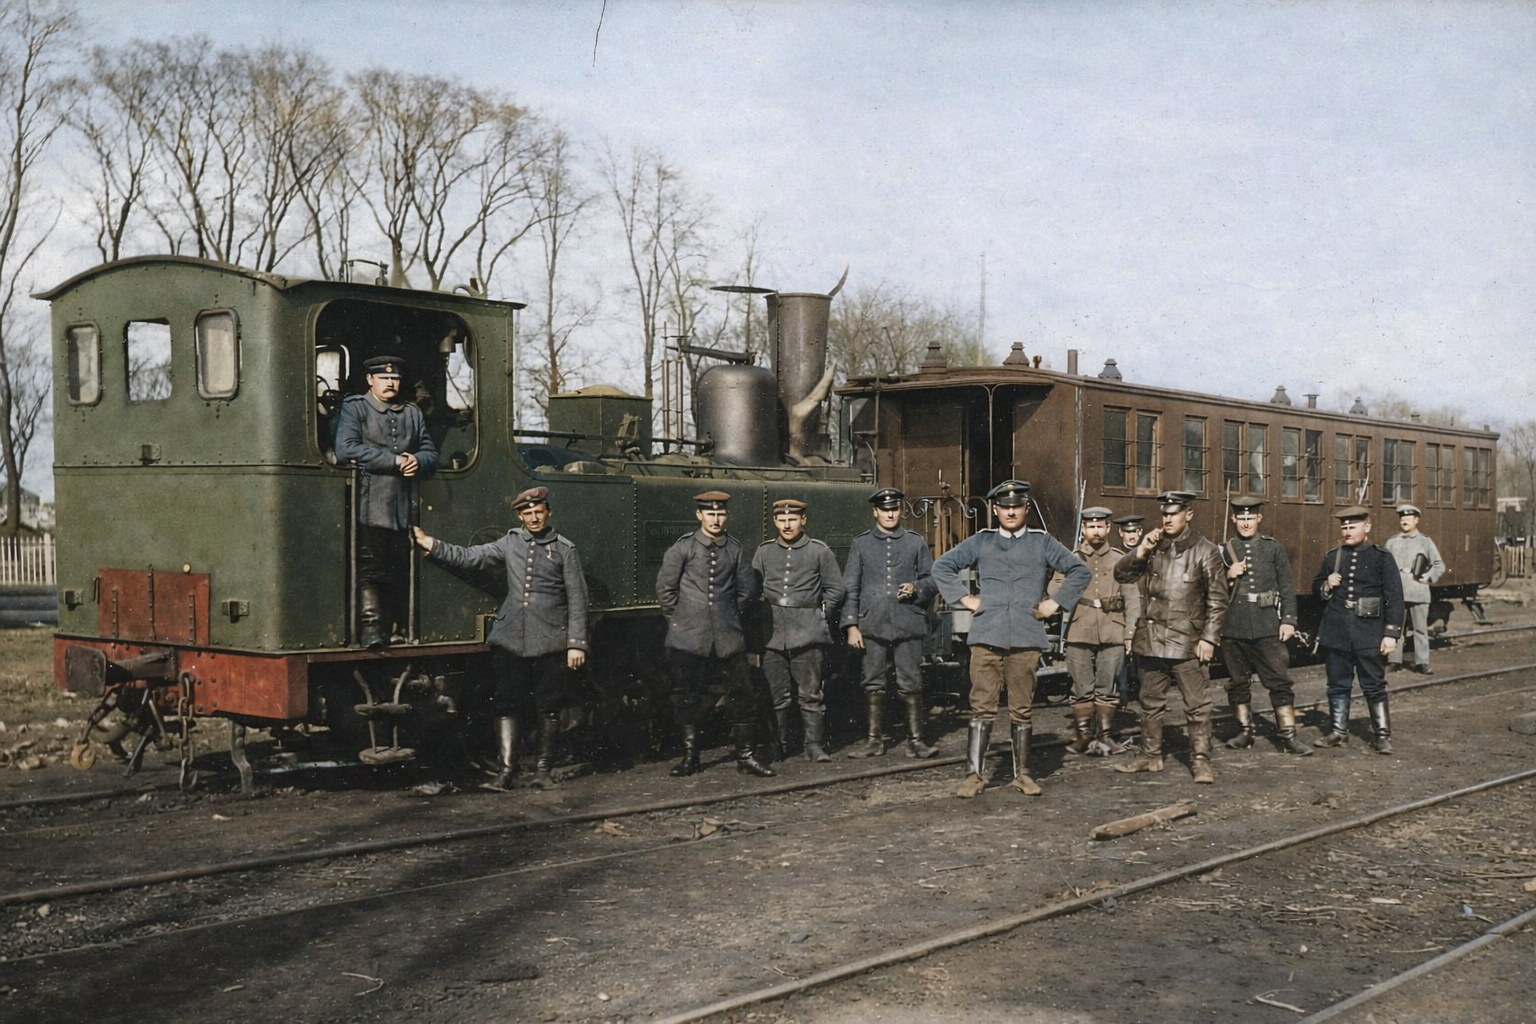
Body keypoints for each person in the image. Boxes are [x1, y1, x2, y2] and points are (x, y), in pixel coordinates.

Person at [412, 486, 588, 790]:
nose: (534, 517)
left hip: (550, 638)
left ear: (548, 512)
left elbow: (578, 599)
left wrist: (576, 644)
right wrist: (432, 544)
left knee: (548, 706)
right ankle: (507, 773)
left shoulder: (564, 549)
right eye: (527, 513)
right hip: (511, 639)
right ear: (520, 516)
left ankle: (543, 773)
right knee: (506, 704)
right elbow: (471, 557)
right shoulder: (510, 542)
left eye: (539, 511)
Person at [933, 480, 1090, 798]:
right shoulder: (982, 541)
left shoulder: (1041, 542)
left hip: (1025, 637)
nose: (1011, 512)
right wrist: (966, 600)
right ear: (995, 509)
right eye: (1005, 507)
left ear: (1026, 508)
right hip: (986, 637)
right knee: (982, 708)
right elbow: (942, 566)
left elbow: (1079, 571)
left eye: (1017, 506)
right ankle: (974, 776)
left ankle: (1023, 775)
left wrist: (1055, 603)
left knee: (1022, 709)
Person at [1114, 490, 1229, 784]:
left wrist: (1209, 639)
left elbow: (1218, 600)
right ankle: (1150, 756)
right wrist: (1141, 550)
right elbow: (1122, 574)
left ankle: (1201, 761)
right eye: (1164, 514)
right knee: (1150, 702)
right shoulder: (1153, 546)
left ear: (1188, 514)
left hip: (1187, 642)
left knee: (1198, 705)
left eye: (1174, 513)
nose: (1167, 519)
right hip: (1152, 640)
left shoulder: (1205, 550)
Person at [656, 491, 773, 778]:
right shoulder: (682, 548)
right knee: (688, 696)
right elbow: (666, 591)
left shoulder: (735, 549)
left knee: (743, 693)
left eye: (721, 514)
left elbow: (747, 591)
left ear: (726, 515)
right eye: (710, 514)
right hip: (689, 638)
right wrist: (682, 621)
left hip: (727, 636)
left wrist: (727, 616)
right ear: (699, 515)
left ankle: (745, 757)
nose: (716, 519)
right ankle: (690, 758)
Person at [334, 354, 440, 650]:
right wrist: (394, 461)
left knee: (397, 568)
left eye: (395, 378)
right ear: (370, 380)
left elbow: (431, 453)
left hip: (403, 504)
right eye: (384, 378)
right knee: (370, 567)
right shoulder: (355, 407)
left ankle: (393, 627)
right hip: (368, 501)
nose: (390, 383)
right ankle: (371, 628)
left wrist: (417, 460)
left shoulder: (412, 413)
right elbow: (345, 450)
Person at [840, 487, 940, 759]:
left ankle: (916, 741)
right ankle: (874, 741)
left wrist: (917, 587)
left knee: (911, 681)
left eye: (894, 509)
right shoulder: (861, 544)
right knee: (873, 681)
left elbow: (932, 579)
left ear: (900, 510)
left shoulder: (915, 542)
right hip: (872, 624)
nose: (890, 514)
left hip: (907, 622)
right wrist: (851, 626)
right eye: (885, 510)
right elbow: (851, 586)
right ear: (875, 512)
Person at [752, 498, 846, 762]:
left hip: (808, 632)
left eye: (792, 519)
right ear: (775, 521)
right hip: (772, 634)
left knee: (810, 694)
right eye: (782, 520)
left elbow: (836, 589)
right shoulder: (764, 552)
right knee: (776, 694)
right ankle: (778, 745)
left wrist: (820, 615)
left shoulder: (819, 551)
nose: (787, 525)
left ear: (803, 520)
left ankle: (814, 746)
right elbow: (754, 588)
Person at [1218, 497, 1312, 756]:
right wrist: (1227, 575)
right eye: (1241, 518)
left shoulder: (1273, 548)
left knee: (1279, 681)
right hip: (1233, 625)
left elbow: (1287, 586)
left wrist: (1289, 620)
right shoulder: (1224, 551)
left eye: (1251, 518)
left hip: (1266, 624)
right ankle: (1244, 732)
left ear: (1259, 518)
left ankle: (1289, 737)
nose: (1246, 523)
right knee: (1238, 682)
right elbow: (1210, 587)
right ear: (1233, 519)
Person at [1312, 506, 1404, 754]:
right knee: (1337, 684)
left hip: (1369, 632)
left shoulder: (1381, 557)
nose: (1347, 531)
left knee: (1373, 685)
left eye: (1352, 526)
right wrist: (1326, 584)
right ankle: (1338, 732)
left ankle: (1382, 736)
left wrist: (1391, 634)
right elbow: (1316, 588)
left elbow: (1395, 597)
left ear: (1367, 526)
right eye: (1344, 527)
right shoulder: (1333, 557)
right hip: (1337, 631)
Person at [1062, 507, 1129, 757]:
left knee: (1107, 685)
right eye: (1091, 527)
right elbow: (1055, 587)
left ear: (1108, 528)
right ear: (1083, 529)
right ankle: (1083, 737)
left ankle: (1105, 736)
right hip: (1080, 628)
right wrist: (1071, 586)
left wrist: (1130, 630)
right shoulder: (1071, 558)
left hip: (1113, 629)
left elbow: (1132, 594)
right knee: (1081, 686)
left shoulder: (1119, 558)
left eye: (1100, 526)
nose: (1096, 531)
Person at [1384, 504, 1445, 675]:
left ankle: (1422, 663)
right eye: (1402, 518)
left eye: (1408, 518)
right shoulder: (1392, 542)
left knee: (1420, 629)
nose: (1404, 521)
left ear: (1416, 520)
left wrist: (1429, 576)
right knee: (1395, 627)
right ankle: (1394, 660)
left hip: (1419, 591)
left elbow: (1439, 565)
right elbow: (1383, 565)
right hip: (1397, 592)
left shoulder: (1425, 541)